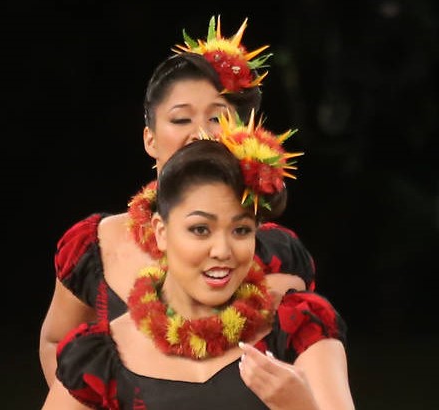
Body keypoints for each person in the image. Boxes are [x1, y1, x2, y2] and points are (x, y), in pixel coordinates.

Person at [39, 15, 316, 387]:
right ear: (150, 139)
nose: (202, 133)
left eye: (218, 118)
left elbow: (308, 361)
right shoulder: (94, 245)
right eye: (181, 119)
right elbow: (55, 340)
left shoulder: (274, 249)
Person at [42, 117, 355, 409]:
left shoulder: (297, 327)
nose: (222, 250)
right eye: (200, 229)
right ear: (161, 232)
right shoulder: (101, 358)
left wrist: (300, 404)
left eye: (241, 230)